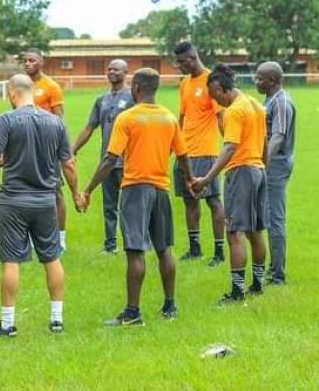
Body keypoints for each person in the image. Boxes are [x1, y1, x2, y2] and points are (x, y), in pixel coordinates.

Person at [0, 74, 82, 336]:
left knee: (11, 261)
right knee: (52, 257)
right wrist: (76, 194)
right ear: (33, 92)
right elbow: (68, 164)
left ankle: (7, 324)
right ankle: (57, 320)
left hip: (13, 201)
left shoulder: (7, 120)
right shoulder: (56, 122)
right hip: (46, 201)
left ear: (12, 94)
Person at [81, 68, 191, 326]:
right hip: (161, 189)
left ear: (136, 88)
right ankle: (170, 306)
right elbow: (183, 155)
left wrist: (88, 189)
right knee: (164, 249)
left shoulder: (127, 118)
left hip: (135, 189)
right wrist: (190, 178)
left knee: (135, 250)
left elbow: (110, 158)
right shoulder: (168, 118)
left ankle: (132, 314)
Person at [191, 66, 268, 304]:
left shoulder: (235, 110)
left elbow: (230, 147)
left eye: (215, 95)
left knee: (235, 233)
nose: (216, 101)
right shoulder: (255, 104)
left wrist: (207, 178)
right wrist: (262, 167)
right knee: (255, 231)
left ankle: (237, 292)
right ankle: (258, 284)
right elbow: (264, 141)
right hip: (258, 170)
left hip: (241, 171)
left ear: (221, 89)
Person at [72, 60, 134, 254]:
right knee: (109, 206)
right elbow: (90, 127)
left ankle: (132, 245)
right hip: (107, 162)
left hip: (129, 161)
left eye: (116, 69)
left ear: (126, 72)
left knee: (130, 205)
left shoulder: (133, 97)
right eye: (109, 69)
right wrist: (73, 149)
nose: (111, 71)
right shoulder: (102, 100)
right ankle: (110, 245)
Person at [173, 42, 227, 266]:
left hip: (205, 152)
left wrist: (230, 145)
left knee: (213, 200)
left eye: (181, 62)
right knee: (189, 201)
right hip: (185, 153)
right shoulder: (185, 83)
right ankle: (195, 249)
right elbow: (182, 117)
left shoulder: (211, 81)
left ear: (193, 58)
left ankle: (219, 252)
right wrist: (175, 145)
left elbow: (220, 116)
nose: (179, 66)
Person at [23, 48, 69, 250]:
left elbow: (59, 119)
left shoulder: (51, 86)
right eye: (25, 61)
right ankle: (33, 238)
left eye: (32, 60)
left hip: (47, 148)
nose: (27, 64)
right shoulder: (20, 86)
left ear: (42, 62)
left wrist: (61, 148)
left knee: (55, 191)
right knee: (27, 191)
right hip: (26, 147)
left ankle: (60, 239)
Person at [255, 62, 296, 285]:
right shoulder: (271, 100)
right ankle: (273, 269)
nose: (256, 81)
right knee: (268, 216)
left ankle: (277, 275)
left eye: (260, 78)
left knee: (275, 219)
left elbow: (278, 137)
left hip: (275, 167)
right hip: (273, 165)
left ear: (272, 80)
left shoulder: (281, 102)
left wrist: (262, 164)